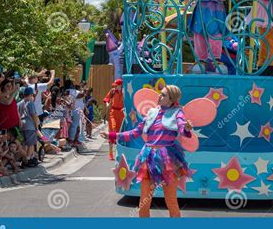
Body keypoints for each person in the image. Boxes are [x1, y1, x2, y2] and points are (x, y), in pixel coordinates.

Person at [101, 85, 193, 218]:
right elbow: (135, 133)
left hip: (167, 158)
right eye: (160, 93)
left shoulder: (177, 112)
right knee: (144, 201)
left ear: (171, 99)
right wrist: (112, 135)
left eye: (163, 95)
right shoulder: (152, 112)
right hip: (149, 157)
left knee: (171, 201)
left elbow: (182, 127)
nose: (159, 96)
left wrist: (187, 128)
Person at [17, 87, 40, 167]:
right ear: (30, 94)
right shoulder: (30, 103)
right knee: (31, 144)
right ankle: (28, 159)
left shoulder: (19, 103)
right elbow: (34, 115)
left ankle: (23, 158)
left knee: (24, 143)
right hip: (30, 125)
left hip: (21, 125)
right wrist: (37, 126)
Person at [103, 79, 124, 160]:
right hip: (113, 112)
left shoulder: (125, 91)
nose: (115, 86)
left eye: (116, 85)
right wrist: (107, 103)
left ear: (120, 85)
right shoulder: (112, 91)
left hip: (121, 113)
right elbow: (106, 98)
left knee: (120, 133)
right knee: (112, 130)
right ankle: (111, 153)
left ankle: (119, 153)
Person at [64, 80, 85, 147]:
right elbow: (81, 95)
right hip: (76, 110)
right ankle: (71, 139)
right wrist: (82, 87)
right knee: (75, 125)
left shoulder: (66, 91)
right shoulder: (72, 91)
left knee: (73, 125)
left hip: (71, 110)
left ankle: (74, 139)